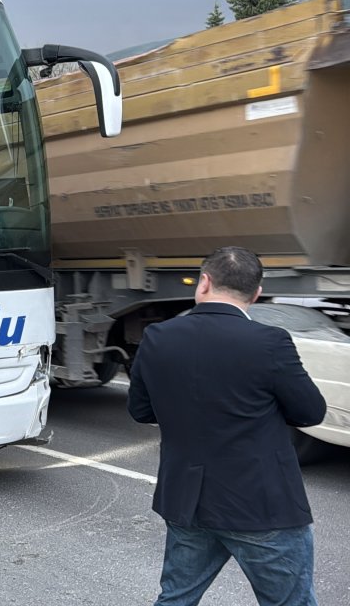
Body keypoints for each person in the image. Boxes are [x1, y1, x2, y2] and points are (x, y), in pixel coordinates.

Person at [127, 246, 326, 606]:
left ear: (204, 282)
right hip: (261, 506)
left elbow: (141, 411)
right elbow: (311, 412)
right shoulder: (270, 342)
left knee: (176, 598)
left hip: (187, 501)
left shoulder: (158, 337)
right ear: (256, 294)